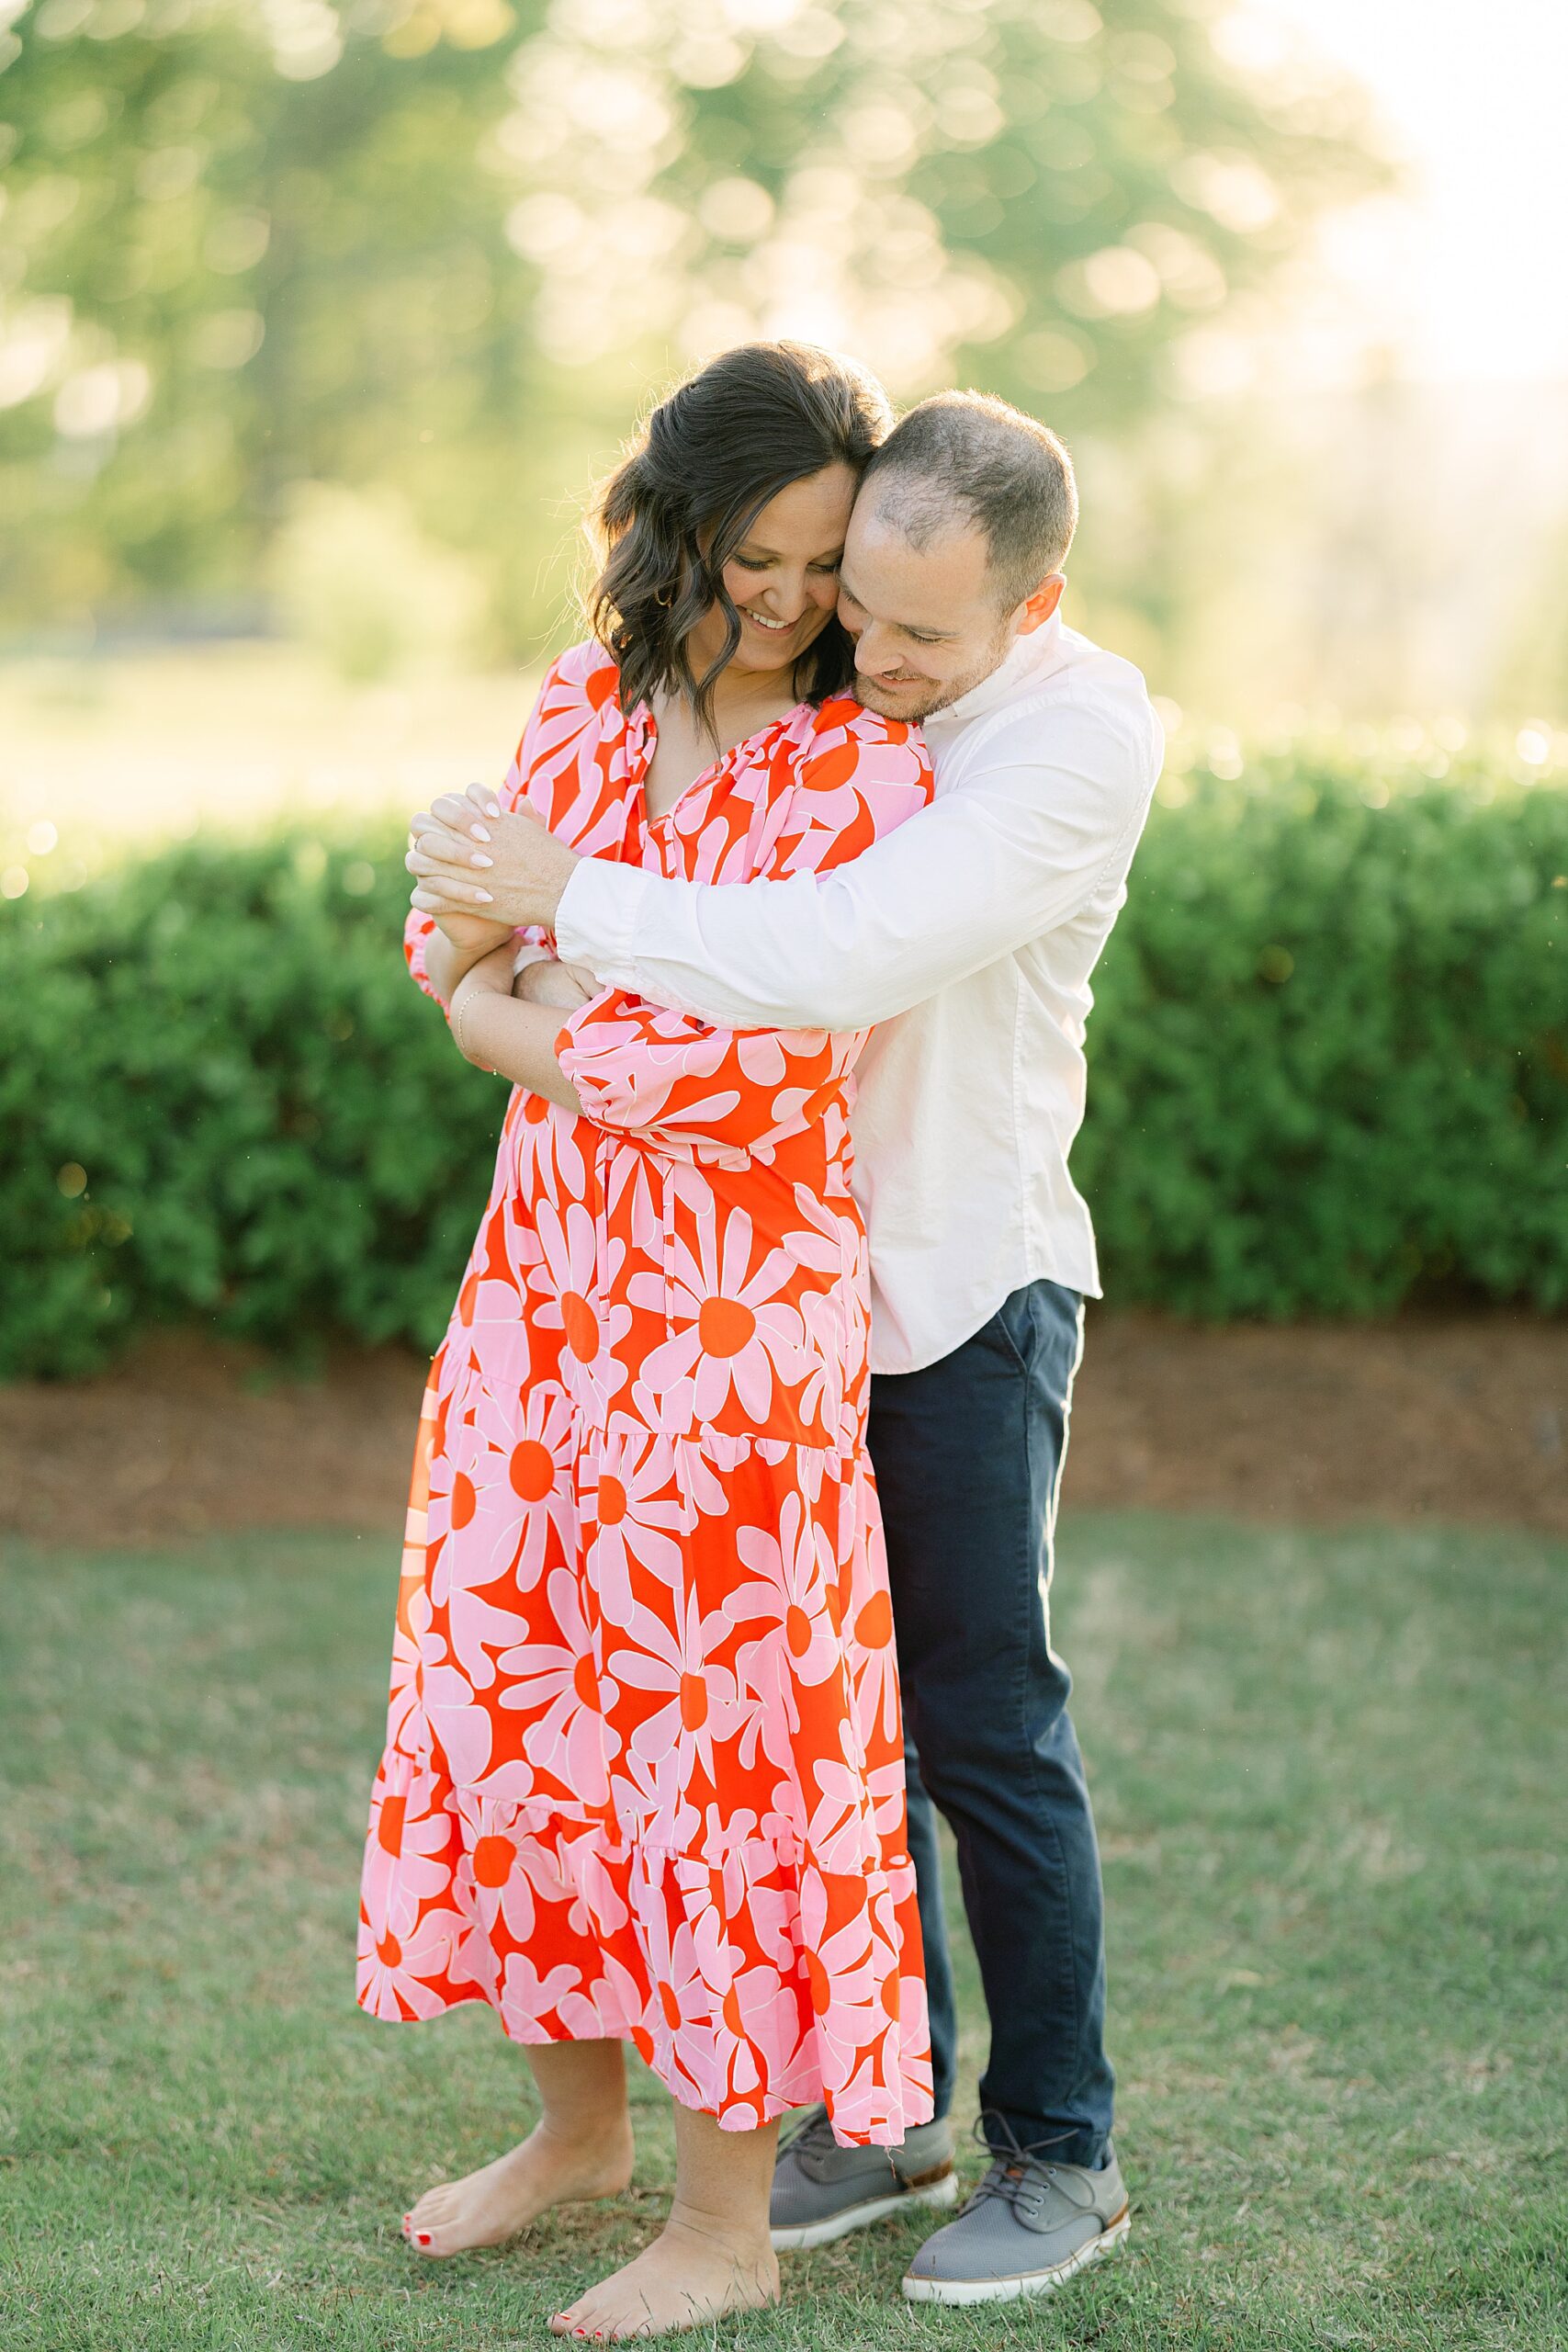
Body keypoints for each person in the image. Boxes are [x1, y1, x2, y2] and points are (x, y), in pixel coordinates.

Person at [407, 385, 1165, 2308]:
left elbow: (806, 991)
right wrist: (511, 982)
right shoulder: (691, 695)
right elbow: (451, 937)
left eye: (898, 618)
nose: (855, 641)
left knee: (969, 1727)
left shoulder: (1054, 738)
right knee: (816, 1735)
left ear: (1029, 601)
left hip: (947, 1286)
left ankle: (1057, 2151)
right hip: (670, 1294)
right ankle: (876, 2119)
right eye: (829, 588)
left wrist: (544, 953)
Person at [362, 341, 937, 2344]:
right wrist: (527, 1005)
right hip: (540, 1299)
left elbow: (763, 1078)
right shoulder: (583, 704)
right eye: (751, 554)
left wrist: (509, 1021)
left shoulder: (867, 775)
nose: (785, 597)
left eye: (820, 563)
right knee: (523, 1692)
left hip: (734, 1328)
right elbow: (445, 930)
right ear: (668, 529)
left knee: (716, 1744)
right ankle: (573, 2131)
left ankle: (727, 2219)